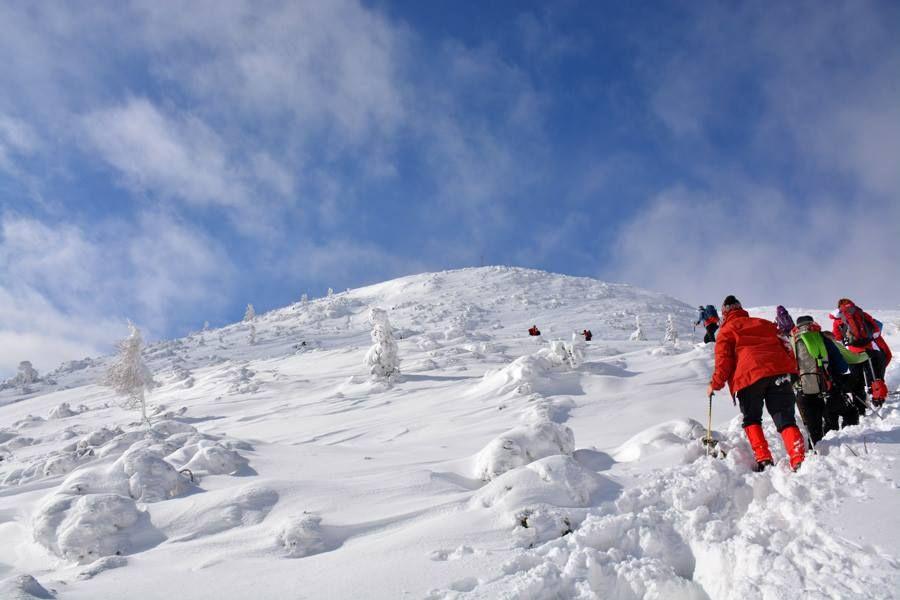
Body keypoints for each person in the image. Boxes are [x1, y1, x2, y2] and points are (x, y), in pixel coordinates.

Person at [707, 295, 805, 472]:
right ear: (740, 308)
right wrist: (792, 370)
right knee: (785, 417)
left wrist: (714, 384)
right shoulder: (764, 323)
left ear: (724, 313)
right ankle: (798, 458)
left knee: (752, 418)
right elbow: (786, 346)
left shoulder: (726, 331)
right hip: (778, 372)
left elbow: (723, 361)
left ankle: (764, 459)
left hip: (749, 377)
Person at [790, 316, 852, 445]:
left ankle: (816, 452)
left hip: (803, 391)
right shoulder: (823, 339)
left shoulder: (791, 342)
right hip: (827, 388)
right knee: (849, 412)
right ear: (813, 323)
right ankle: (840, 445)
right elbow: (842, 367)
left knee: (813, 427)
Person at [830, 298, 892, 407]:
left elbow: (837, 337)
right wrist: (869, 338)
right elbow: (876, 329)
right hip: (868, 351)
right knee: (873, 376)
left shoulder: (838, 319)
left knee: (857, 379)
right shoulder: (861, 313)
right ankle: (878, 398)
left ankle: (860, 405)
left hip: (852, 354)